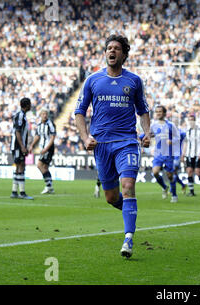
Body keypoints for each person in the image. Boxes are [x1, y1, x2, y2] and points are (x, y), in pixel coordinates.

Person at [74, 34, 151, 259]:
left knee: (128, 186)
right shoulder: (93, 80)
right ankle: (130, 210)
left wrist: (146, 132)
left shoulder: (134, 81)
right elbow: (79, 111)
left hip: (127, 142)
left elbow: (143, 110)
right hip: (101, 145)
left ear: (124, 54)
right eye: (109, 48)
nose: (112, 51)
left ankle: (128, 238)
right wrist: (85, 137)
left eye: (117, 48)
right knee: (111, 196)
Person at [151, 105, 181, 203]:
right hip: (158, 154)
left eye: (160, 111)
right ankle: (164, 187)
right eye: (157, 111)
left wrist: (172, 141)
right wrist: (140, 137)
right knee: (155, 172)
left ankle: (174, 195)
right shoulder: (153, 125)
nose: (158, 113)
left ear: (164, 113)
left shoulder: (170, 125)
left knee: (170, 176)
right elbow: (148, 134)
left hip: (168, 154)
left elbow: (178, 137)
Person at [10, 97, 34, 200]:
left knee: (18, 166)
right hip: (17, 146)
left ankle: (14, 191)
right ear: (27, 105)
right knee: (21, 166)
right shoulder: (20, 116)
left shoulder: (22, 116)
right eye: (30, 104)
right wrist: (22, 146)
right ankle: (22, 193)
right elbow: (17, 132)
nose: (31, 106)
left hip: (18, 145)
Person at [29, 108, 56, 194]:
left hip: (48, 148)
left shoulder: (50, 124)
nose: (45, 115)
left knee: (39, 165)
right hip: (43, 148)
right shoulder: (39, 124)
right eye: (43, 114)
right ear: (40, 115)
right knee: (45, 167)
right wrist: (32, 145)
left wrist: (46, 149)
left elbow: (52, 137)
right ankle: (50, 186)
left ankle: (49, 186)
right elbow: (37, 136)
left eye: (46, 114)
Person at [182, 114, 200, 196]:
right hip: (189, 154)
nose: (191, 121)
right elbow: (186, 143)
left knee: (198, 172)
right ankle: (191, 191)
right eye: (189, 120)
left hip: (198, 154)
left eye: (192, 120)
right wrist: (183, 153)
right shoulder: (187, 131)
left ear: (195, 120)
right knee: (189, 171)